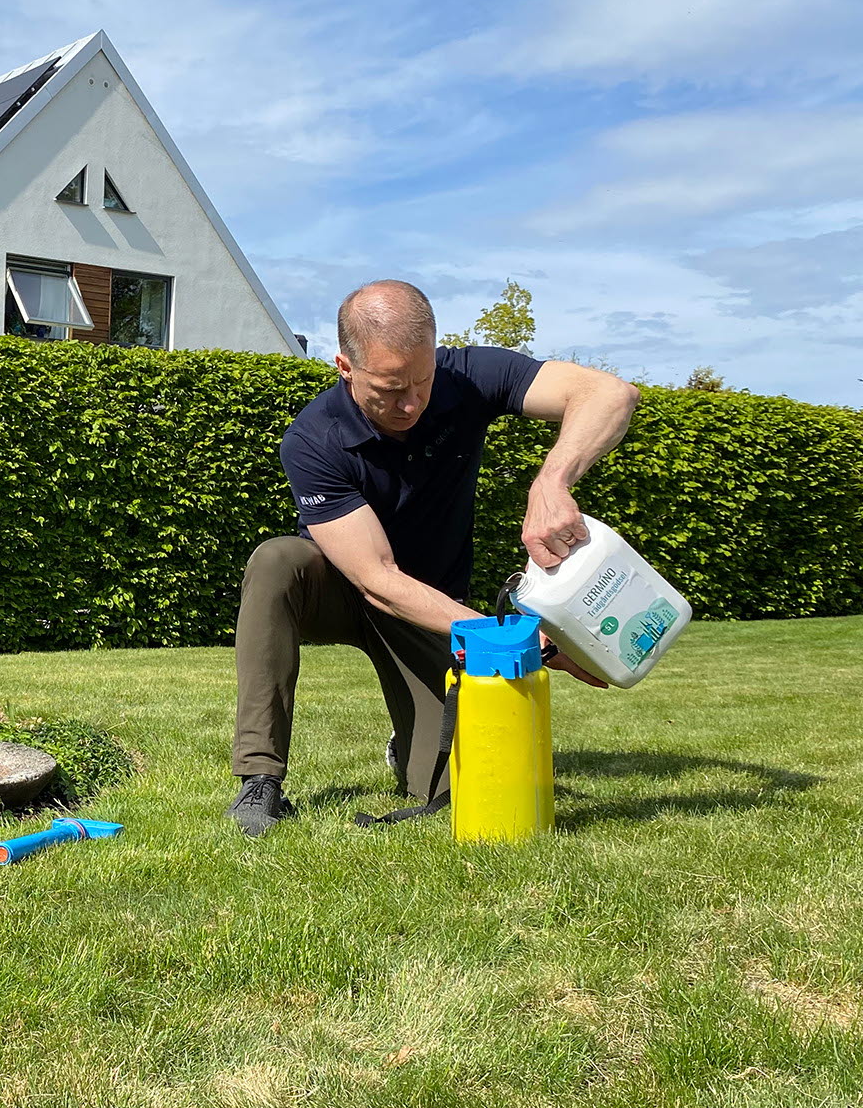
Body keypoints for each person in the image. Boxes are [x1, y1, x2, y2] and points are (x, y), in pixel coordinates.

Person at [228, 279, 638, 836]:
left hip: (430, 607)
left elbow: (611, 394)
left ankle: (408, 744)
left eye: (421, 381)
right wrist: (505, 636)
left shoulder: (466, 376)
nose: (411, 403)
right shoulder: (313, 439)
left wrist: (552, 482)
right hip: (347, 590)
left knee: (455, 787)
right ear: (344, 366)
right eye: (390, 388)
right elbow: (376, 580)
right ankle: (261, 779)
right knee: (277, 561)